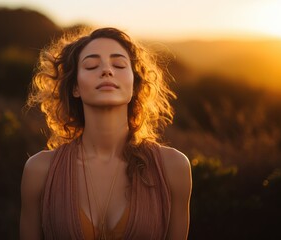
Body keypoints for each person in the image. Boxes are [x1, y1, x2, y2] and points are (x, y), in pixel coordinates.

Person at [20, 27, 192, 240]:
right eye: (91, 66)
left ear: (134, 85)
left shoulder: (173, 167)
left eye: (119, 64)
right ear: (75, 87)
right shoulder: (40, 170)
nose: (107, 70)